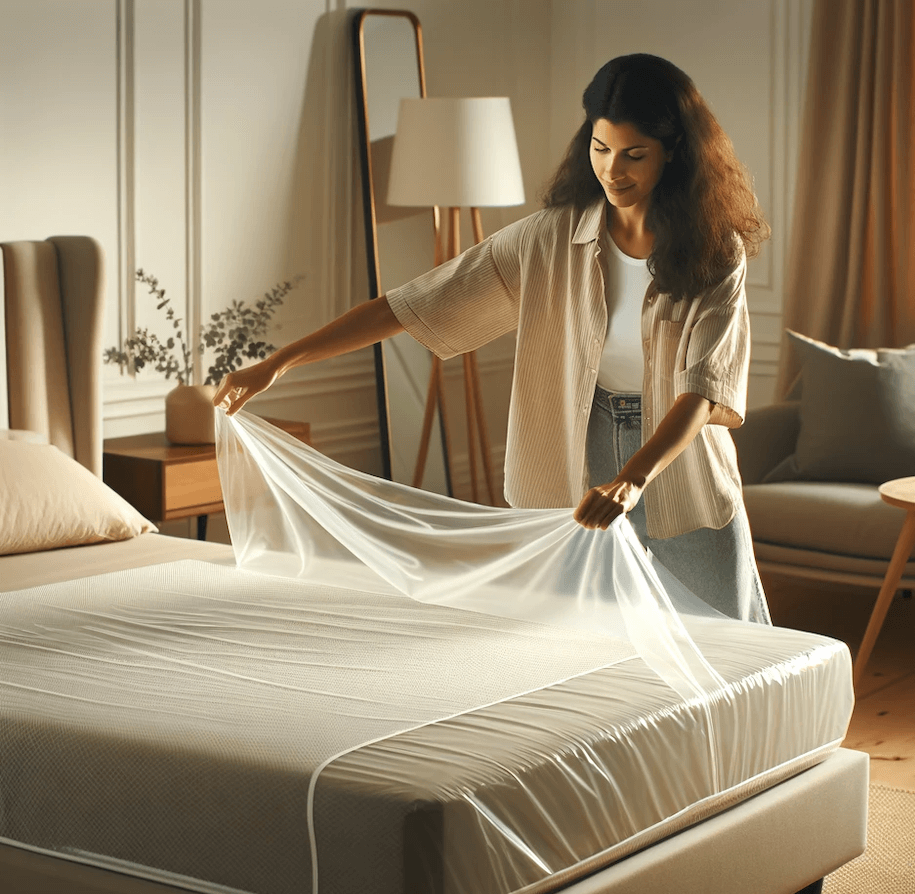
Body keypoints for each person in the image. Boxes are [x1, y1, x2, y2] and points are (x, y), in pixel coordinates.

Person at [215, 53, 771, 623]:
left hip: (680, 452)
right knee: (587, 632)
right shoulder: (549, 240)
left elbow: (702, 390)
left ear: (673, 152)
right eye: (600, 150)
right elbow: (411, 305)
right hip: (578, 443)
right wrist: (279, 363)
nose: (613, 171)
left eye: (634, 155)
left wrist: (631, 480)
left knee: (734, 632)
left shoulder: (714, 251)